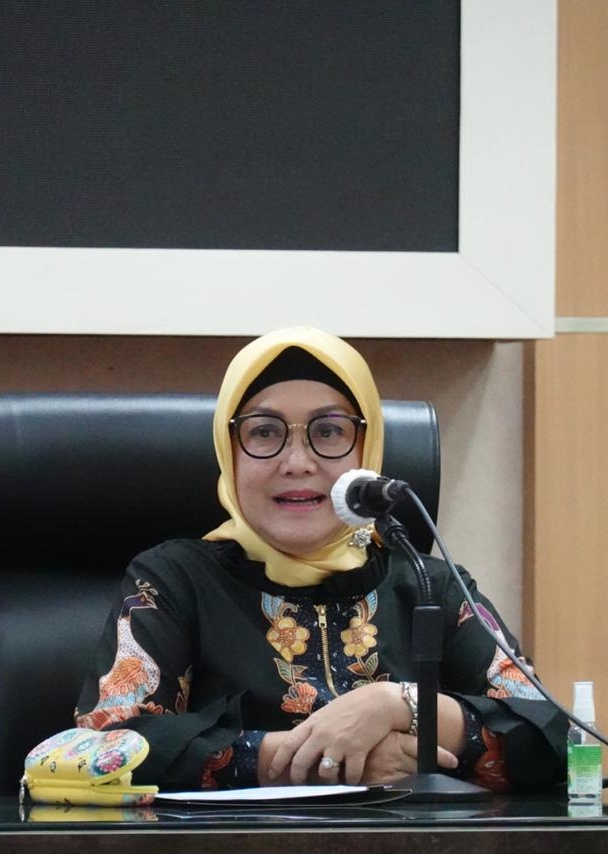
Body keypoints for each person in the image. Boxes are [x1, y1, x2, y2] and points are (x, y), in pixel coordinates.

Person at [75, 327, 566, 791]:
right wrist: (310, 760)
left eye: (329, 431)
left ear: (366, 452)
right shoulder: (175, 581)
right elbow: (102, 748)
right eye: (264, 432)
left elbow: (557, 740)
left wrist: (399, 705)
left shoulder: (427, 585)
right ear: (229, 451)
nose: (297, 462)